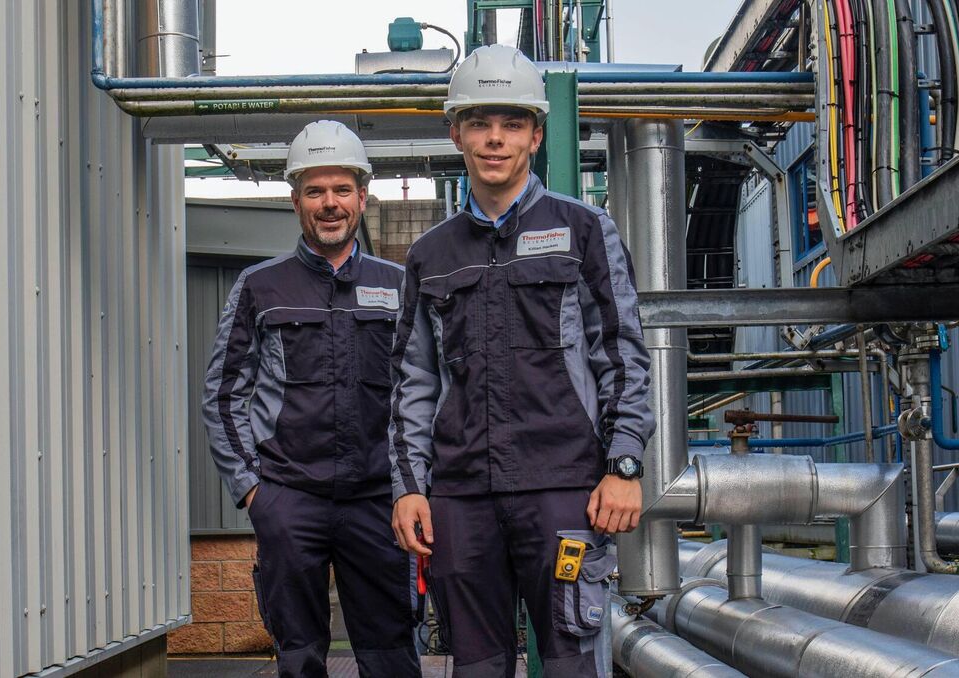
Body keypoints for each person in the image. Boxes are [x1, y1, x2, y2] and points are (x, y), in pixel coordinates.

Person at [388, 44, 655, 677]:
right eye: (479, 123)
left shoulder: (583, 230)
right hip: (461, 498)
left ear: (535, 135)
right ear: (456, 134)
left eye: (512, 124)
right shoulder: (430, 255)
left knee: (571, 665)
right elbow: (412, 383)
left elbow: (622, 354)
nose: (495, 139)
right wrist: (409, 489)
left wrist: (624, 464)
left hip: (564, 490)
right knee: (476, 667)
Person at [202, 120, 421, 678]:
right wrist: (253, 490)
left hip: (378, 501)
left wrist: (414, 487)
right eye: (315, 190)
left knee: (392, 655)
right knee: (298, 655)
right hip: (290, 499)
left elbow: (422, 393)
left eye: (342, 189)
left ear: (362, 197)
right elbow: (223, 395)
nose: (330, 203)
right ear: (295, 200)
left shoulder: (399, 287)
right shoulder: (260, 286)